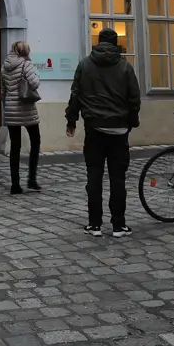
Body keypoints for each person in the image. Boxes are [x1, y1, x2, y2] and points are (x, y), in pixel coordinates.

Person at [65, 27, 141, 237]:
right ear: (116, 44)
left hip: (94, 128)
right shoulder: (125, 67)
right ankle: (119, 225)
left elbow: (75, 95)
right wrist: (132, 121)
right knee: (118, 178)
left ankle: (94, 224)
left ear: (98, 42)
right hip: (119, 129)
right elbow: (134, 97)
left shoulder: (85, 65)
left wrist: (71, 120)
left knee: (94, 175)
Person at [1, 40, 43, 194]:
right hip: (26, 108)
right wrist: (37, 76)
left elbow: (3, 91)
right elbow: (34, 83)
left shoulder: (4, 67)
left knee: (15, 147)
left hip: (11, 110)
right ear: (25, 51)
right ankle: (31, 179)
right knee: (36, 141)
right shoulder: (26, 64)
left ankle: (15, 185)